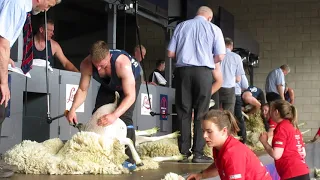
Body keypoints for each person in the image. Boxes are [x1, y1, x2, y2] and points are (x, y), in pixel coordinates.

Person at [0, 0, 60, 178]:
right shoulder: (18, 4)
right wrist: (3, 83)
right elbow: (3, 44)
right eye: (48, 6)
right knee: (0, 107)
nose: (45, 10)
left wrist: (5, 60)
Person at [66, 40, 141, 171]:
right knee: (98, 116)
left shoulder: (122, 64)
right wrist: (72, 109)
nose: (99, 69)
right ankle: (100, 152)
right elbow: (83, 90)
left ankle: (130, 159)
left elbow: (130, 96)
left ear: (109, 57)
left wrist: (114, 115)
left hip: (129, 82)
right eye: (96, 66)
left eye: (103, 66)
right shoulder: (86, 64)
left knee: (124, 117)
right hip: (109, 84)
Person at [167, 6, 226, 163]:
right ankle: (198, 153)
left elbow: (170, 53)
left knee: (183, 111)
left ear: (197, 14)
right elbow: (220, 55)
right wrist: (206, 59)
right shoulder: (214, 29)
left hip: (183, 72)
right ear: (209, 17)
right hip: (204, 73)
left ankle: (184, 153)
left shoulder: (181, 26)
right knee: (201, 112)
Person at [187, 109, 272, 180]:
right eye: (203, 131)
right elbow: (219, 165)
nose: (204, 136)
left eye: (209, 131)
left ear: (224, 131)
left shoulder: (232, 153)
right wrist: (201, 175)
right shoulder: (219, 147)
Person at [259, 100, 310, 180]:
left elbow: (276, 155)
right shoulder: (294, 127)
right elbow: (303, 152)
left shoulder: (281, 128)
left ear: (276, 112)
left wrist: (264, 142)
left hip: (291, 173)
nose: (270, 114)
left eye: (271, 111)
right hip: (303, 172)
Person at [218, 37, 245, 114]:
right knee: (228, 114)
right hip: (229, 89)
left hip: (216, 88)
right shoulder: (237, 57)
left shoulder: (216, 55)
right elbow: (238, 79)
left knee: (214, 113)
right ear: (231, 46)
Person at [234, 74, 249, 143]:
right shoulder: (239, 70)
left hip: (220, 93)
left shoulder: (220, 65)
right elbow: (245, 86)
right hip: (236, 94)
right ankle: (242, 139)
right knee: (238, 117)